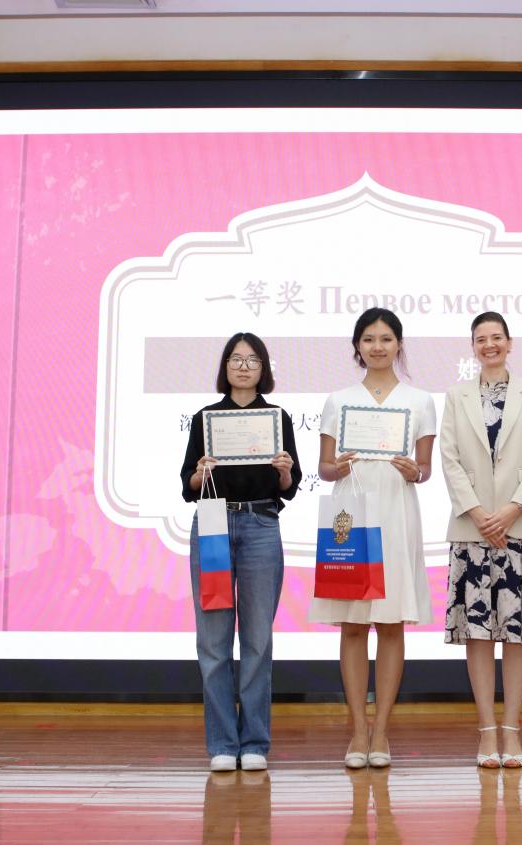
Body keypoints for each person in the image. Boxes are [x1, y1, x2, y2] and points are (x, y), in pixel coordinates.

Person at [310, 307, 437, 769]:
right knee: (352, 624)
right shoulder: (339, 400)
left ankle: (381, 731)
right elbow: (324, 468)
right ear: (357, 347)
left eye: (386, 338)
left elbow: (424, 470)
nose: (377, 346)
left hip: (397, 514)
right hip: (352, 515)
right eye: (368, 339)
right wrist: (338, 466)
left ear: (399, 344)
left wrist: (414, 470)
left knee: (390, 623)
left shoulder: (420, 400)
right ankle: (357, 731)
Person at [439, 311, 522, 768]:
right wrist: (477, 513)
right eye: (480, 339)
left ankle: (511, 731)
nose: (489, 345)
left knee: (517, 633)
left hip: (521, 529)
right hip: (472, 529)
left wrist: (510, 511)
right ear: (472, 347)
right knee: (477, 634)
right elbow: (449, 459)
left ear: (510, 343)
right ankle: (486, 732)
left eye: (496, 337)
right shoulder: (456, 396)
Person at [180, 332, 301, 773]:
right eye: (236, 359)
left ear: (263, 368)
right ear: (225, 367)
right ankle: (222, 743)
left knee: (257, 640)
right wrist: (200, 473)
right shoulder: (205, 419)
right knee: (213, 642)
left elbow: (289, 486)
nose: (243, 366)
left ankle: (253, 743)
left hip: (261, 525)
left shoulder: (277, 418)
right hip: (214, 524)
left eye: (252, 360)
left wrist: (284, 471)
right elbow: (188, 486)